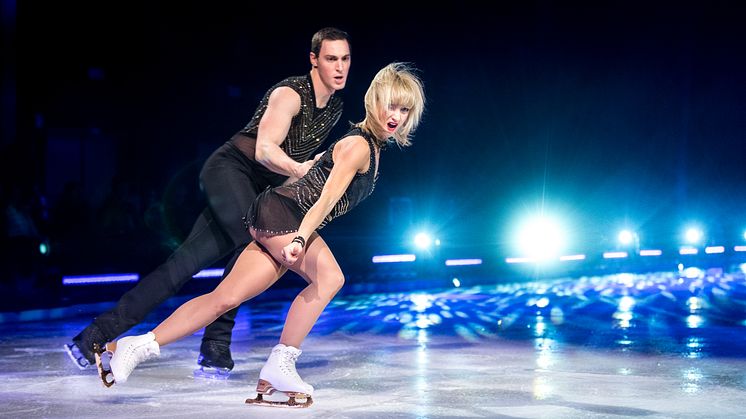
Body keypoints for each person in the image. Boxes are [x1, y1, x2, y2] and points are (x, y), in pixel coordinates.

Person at [94, 62, 425, 408]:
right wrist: (299, 238)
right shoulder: (360, 146)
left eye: (404, 109)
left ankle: (136, 345)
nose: (396, 116)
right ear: (374, 100)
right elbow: (325, 201)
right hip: (287, 217)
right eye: (391, 105)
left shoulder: (370, 147)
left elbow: (313, 179)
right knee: (330, 277)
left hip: (280, 213)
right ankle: (280, 366)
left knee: (224, 298)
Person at [65, 27, 352, 379]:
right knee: (258, 242)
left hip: (261, 191)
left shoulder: (334, 108)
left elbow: (292, 170)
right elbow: (264, 150)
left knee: (183, 264)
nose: (339, 67)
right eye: (331, 58)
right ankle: (215, 343)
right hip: (230, 172)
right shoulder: (291, 93)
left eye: (345, 59)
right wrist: (299, 169)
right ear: (314, 60)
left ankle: (92, 337)